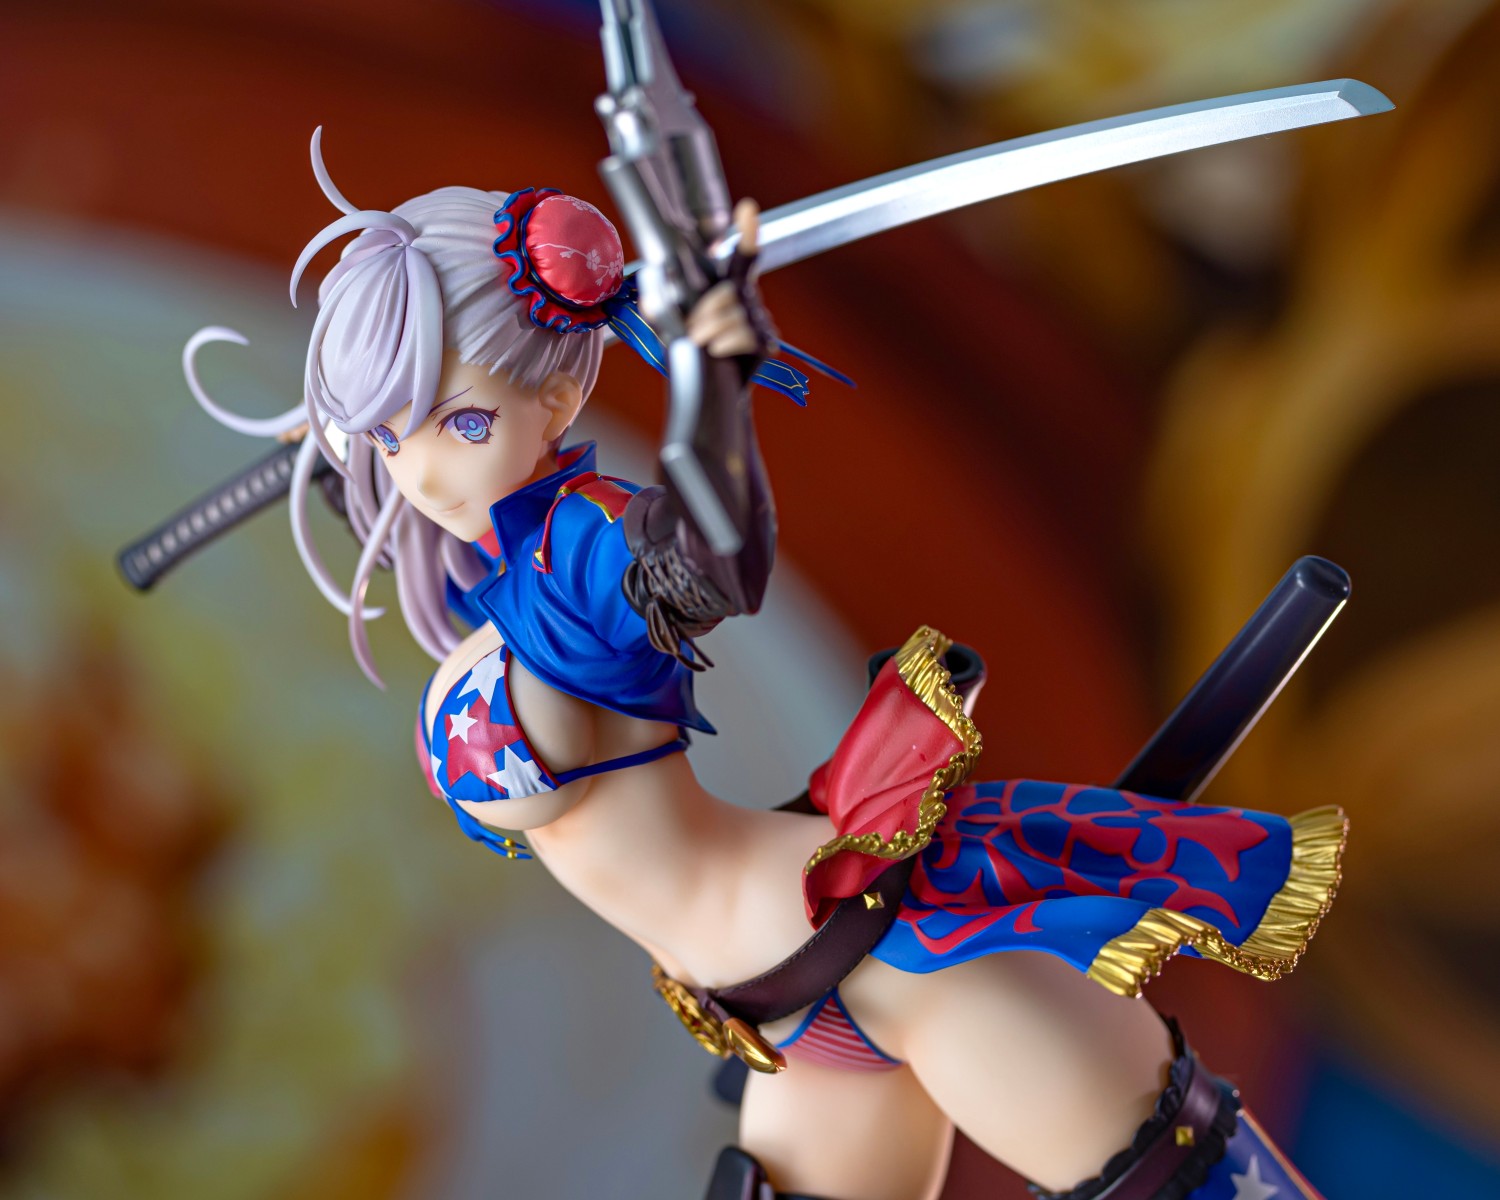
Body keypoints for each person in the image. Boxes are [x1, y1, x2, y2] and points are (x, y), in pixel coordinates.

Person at [185, 130, 1344, 1200]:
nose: (422, 471)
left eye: (461, 423)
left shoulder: (588, 552)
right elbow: (420, 515)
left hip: (897, 955)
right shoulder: (500, 561)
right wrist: (346, 435)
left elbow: (710, 555)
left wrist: (716, 385)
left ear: (557, 395)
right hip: (786, 1023)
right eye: (394, 432)